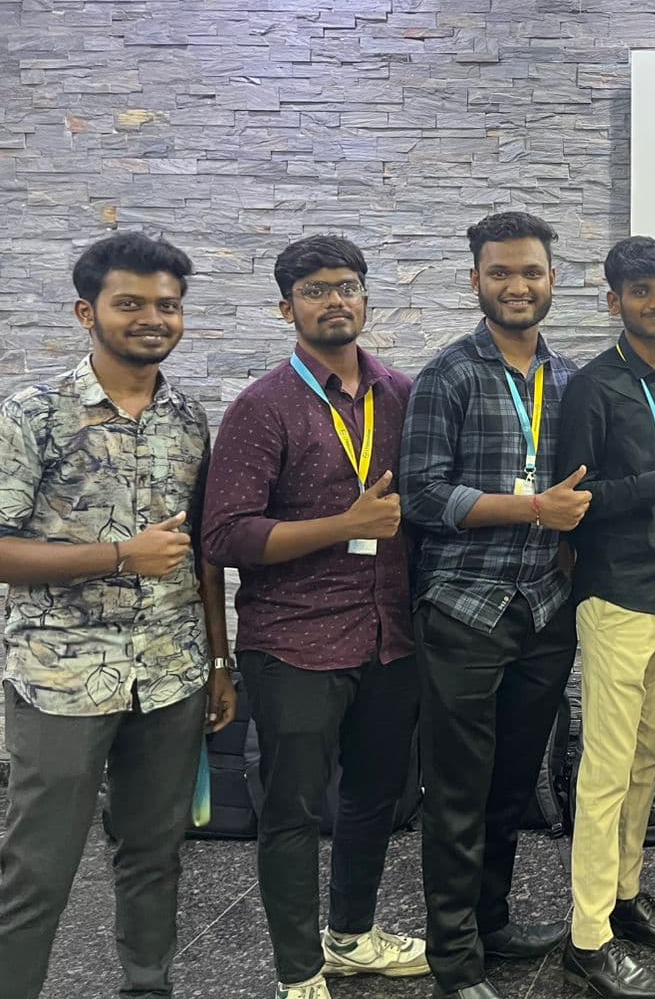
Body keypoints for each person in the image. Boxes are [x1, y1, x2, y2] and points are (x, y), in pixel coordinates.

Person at [0, 232, 236, 999]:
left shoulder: (189, 418)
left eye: (167, 305)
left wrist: (218, 658)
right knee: (37, 865)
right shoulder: (33, 414)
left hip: (169, 674)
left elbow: (203, 551)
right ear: (86, 311)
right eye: (130, 303)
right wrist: (115, 557)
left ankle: (147, 986)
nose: (152, 318)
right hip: (61, 677)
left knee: (155, 852)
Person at [202, 236, 427, 998]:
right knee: (293, 812)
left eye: (350, 286)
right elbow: (225, 534)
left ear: (367, 298)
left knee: (374, 798)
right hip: (295, 642)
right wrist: (343, 522)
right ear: (286, 306)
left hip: (389, 635)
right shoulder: (263, 408)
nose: (337, 300)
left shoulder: (401, 393)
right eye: (317, 289)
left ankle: (353, 937)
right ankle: (299, 972)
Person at [399, 212, 592, 999]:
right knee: (457, 792)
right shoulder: (447, 376)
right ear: (475, 279)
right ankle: (454, 961)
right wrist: (530, 511)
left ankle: (493, 922)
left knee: (512, 784)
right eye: (501, 273)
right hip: (464, 612)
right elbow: (421, 494)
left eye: (532, 273)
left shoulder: (573, 378)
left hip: (545, 609)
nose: (518, 286)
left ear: (553, 280)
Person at [556, 236, 655, 999]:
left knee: (649, 763)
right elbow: (574, 505)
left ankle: (622, 897)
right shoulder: (592, 387)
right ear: (614, 299)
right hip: (616, 597)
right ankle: (587, 939)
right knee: (606, 771)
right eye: (643, 291)